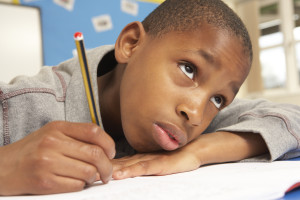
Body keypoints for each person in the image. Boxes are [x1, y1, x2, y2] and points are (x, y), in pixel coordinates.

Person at [0, 0, 300, 196]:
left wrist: (198, 153)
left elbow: (293, 118)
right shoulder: (23, 106)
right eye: (189, 69)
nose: (195, 113)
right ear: (131, 44)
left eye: (219, 99)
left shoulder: (192, 121)